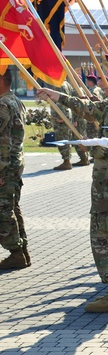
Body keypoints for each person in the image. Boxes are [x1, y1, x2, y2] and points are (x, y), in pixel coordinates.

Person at [36, 53, 108, 312]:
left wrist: (85, 147)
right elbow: (95, 110)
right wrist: (59, 97)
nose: (107, 74)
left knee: (107, 235)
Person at [0, 68, 28, 270]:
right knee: (12, 207)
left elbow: (3, 142)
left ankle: (16, 253)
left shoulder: (2, 104)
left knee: (3, 211)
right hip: (14, 163)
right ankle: (22, 251)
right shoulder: (14, 100)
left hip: (5, 165)